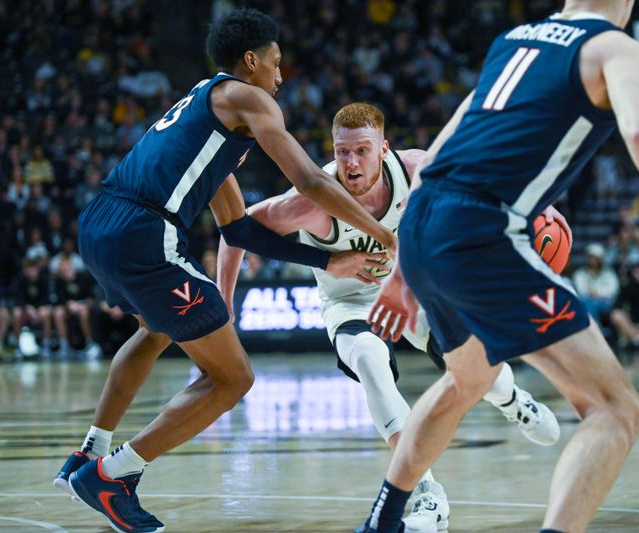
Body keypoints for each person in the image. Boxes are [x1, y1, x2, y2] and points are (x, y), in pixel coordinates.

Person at [357, 2, 639, 533]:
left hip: (425, 222)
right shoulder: (616, 48)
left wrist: (405, 274)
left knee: (468, 379)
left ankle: (381, 523)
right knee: (617, 409)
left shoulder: (516, 39)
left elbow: (436, 155)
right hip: (483, 230)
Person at [55, 9, 397, 533]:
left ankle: (89, 453)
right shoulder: (247, 97)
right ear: (252, 61)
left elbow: (237, 229)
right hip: (143, 232)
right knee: (234, 378)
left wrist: (330, 259)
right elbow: (308, 179)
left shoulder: (207, 116)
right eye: (276, 64)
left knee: (153, 333)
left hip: (102, 223)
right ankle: (114, 475)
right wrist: (384, 235)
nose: (280, 79)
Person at [218, 103, 562, 532]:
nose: (350, 163)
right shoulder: (312, 200)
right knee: (370, 364)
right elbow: (237, 229)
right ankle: (426, 494)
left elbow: (480, 179)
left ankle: (512, 400)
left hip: (414, 288)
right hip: (350, 304)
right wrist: (225, 302)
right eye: (342, 152)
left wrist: (532, 208)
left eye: (361, 151)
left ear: (383, 149)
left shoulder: (415, 169)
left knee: (475, 368)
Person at [571, 243, 619, 324]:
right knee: (588, 302)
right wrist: (595, 294)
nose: (592, 260)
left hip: (605, 302)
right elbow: (581, 290)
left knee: (592, 303)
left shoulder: (609, 273)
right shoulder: (580, 273)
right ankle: (595, 329)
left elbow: (613, 290)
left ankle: (592, 329)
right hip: (587, 300)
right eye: (590, 257)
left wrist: (597, 293)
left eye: (595, 258)